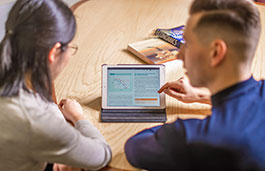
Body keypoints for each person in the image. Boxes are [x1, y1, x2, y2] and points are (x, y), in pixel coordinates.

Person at [125, 0, 265, 170]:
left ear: (216, 52)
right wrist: (203, 96)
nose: (179, 54)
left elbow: (134, 148)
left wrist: (175, 132)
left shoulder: (197, 137)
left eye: (188, 43)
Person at [0, 0, 111, 170]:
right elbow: (102, 155)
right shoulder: (36, 120)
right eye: (70, 47)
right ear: (54, 52)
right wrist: (77, 117)